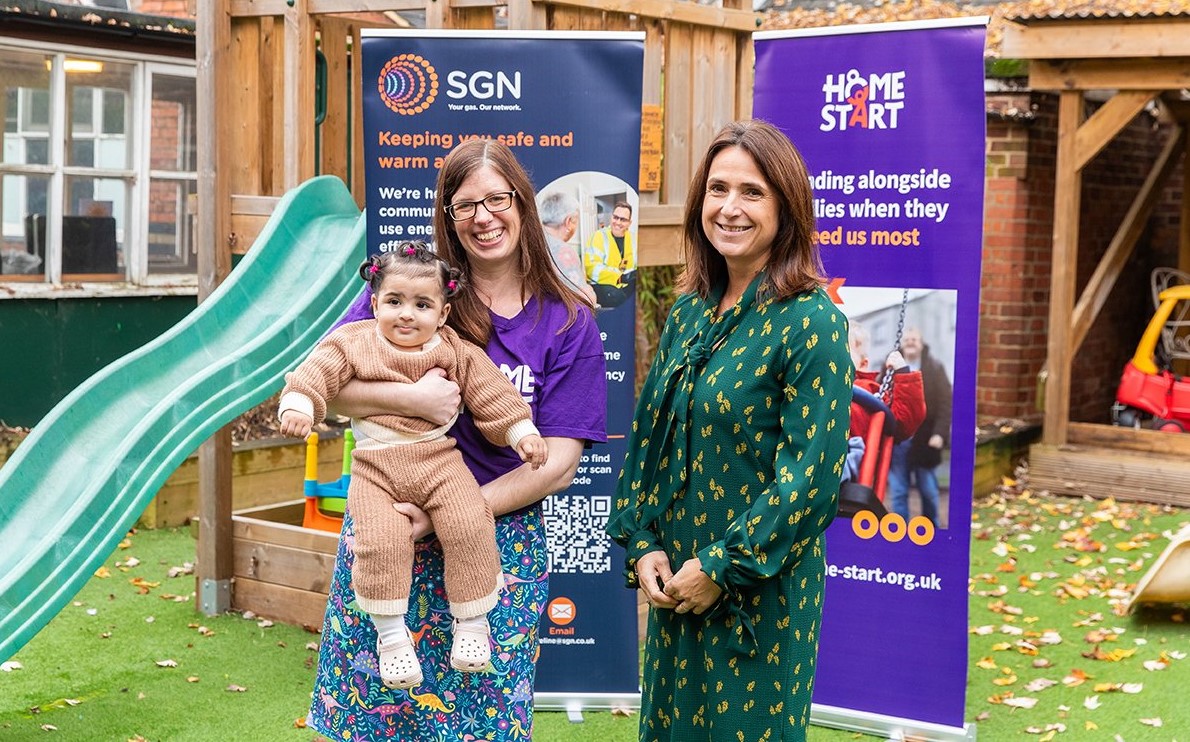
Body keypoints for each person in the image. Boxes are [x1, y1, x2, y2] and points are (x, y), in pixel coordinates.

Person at [306, 139, 607, 740]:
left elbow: (560, 463)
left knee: (481, 719)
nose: (483, 217)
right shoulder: (414, 292)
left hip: (496, 540)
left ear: (522, 204)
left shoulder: (567, 321)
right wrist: (408, 399)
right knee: (373, 717)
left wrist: (447, 514)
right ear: (446, 216)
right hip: (386, 524)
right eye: (465, 205)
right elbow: (326, 382)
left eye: (497, 199)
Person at [605, 119, 853, 742]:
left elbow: (812, 481)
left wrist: (720, 567)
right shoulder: (688, 310)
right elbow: (650, 441)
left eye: (752, 192)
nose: (730, 208)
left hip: (758, 594)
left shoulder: (812, 322)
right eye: (718, 189)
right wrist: (643, 544)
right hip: (676, 587)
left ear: (786, 208)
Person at [279, 244, 548, 690]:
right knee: (381, 541)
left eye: (422, 305)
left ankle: (473, 625)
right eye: (395, 301)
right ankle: (391, 638)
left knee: (469, 522)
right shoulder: (354, 340)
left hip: (438, 459)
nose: (407, 314)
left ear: (442, 314)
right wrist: (300, 405)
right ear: (374, 303)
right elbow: (315, 373)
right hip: (376, 465)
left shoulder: (454, 351)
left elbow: (492, 394)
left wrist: (522, 434)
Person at [843, 322, 925, 483]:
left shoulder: (870, 391)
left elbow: (904, 422)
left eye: (843, 350)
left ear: (862, 364)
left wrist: (903, 373)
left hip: (845, 453)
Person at [887, 327, 952, 525]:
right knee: (898, 491)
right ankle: (899, 532)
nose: (910, 342)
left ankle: (932, 529)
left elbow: (945, 403)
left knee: (929, 491)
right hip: (899, 438)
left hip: (925, 438)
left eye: (914, 339)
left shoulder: (934, 367)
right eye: (907, 339)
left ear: (921, 343)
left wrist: (940, 433)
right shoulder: (891, 366)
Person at [538, 189, 598, 304]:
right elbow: (584, 300)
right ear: (569, 221)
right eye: (576, 221)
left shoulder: (530, 241)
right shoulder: (563, 251)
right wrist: (590, 293)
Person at [584, 200, 636, 308]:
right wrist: (619, 277)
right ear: (611, 217)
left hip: (624, 285)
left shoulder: (634, 239)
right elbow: (592, 269)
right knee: (616, 296)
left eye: (623, 219)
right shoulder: (598, 236)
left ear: (629, 223)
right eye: (615, 217)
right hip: (600, 285)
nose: (617, 222)